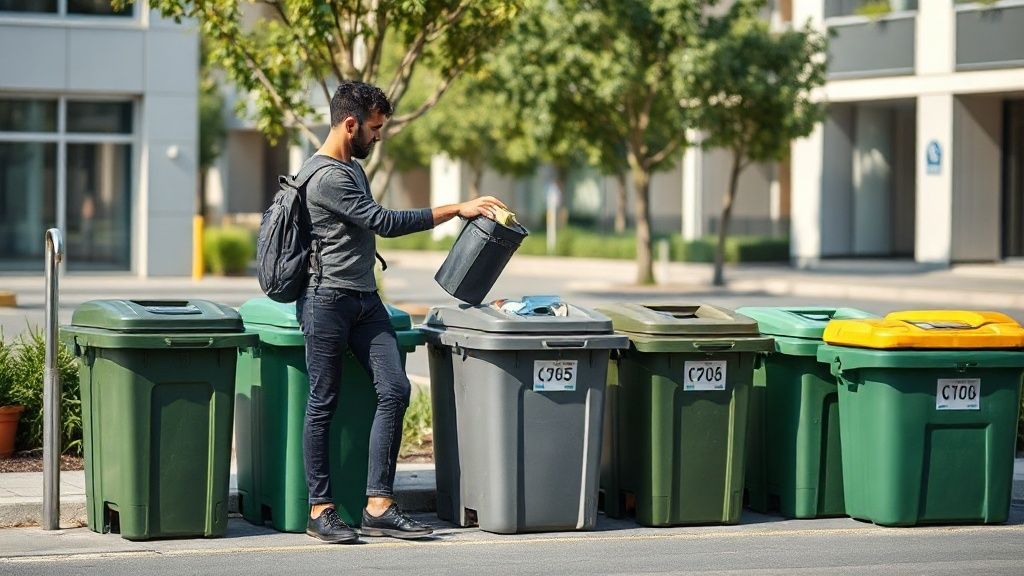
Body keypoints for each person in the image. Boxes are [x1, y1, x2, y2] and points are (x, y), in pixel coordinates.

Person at [297, 81, 508, 544]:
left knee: (395, 389)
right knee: (323, 401)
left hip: (364, 298)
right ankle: (320, 509)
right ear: (350, 124)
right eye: (374, 129)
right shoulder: (326, 176)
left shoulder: (353, 168)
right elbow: (384, 223)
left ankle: (377, 505)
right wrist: (457, 209)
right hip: (326, 300)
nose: (377, 137)